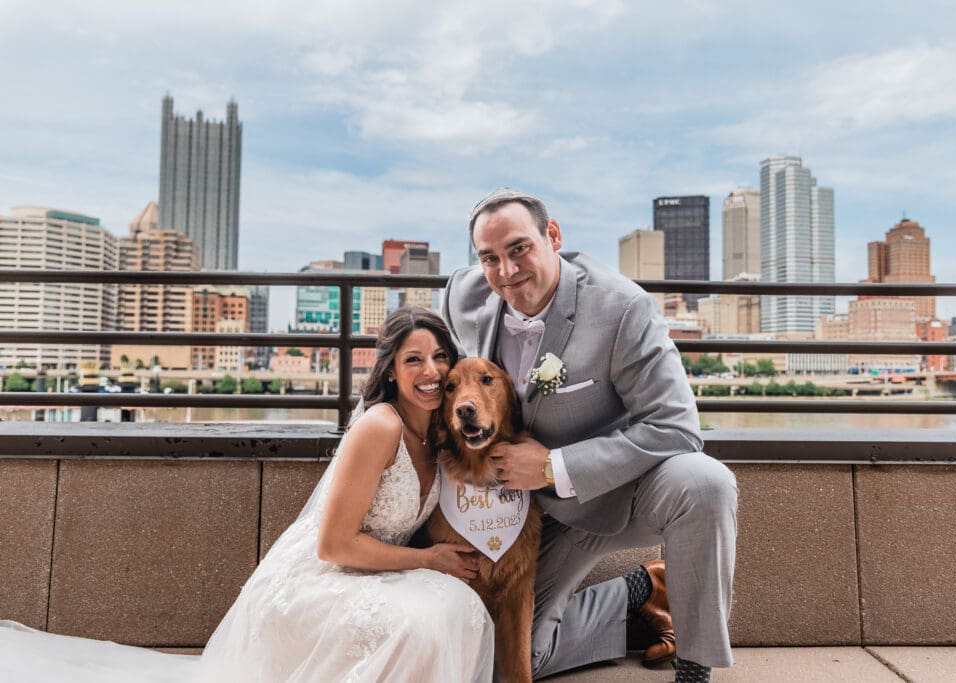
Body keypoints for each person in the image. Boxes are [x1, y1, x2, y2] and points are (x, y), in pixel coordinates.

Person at [0, 306, 494, 683]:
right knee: (420, 623)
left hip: (374, 572)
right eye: (414, 359)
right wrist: (428, 561)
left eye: (440, 357)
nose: (430, 371)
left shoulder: (440, 431)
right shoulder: (380, 426)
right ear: (390, 370)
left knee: (459, 607)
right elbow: (334, 546)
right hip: (321, 576)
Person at [442, 189, 738, 683]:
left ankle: (694, 661)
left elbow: (676, 425)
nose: (507, 271)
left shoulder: (621, 307)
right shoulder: (463, 295)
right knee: (509, 663)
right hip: (518, 515)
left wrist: (553, 467)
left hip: (613, 493)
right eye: (489, 258)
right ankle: (641, 593)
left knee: (706, 485)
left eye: (520, 249)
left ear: (553, 235)